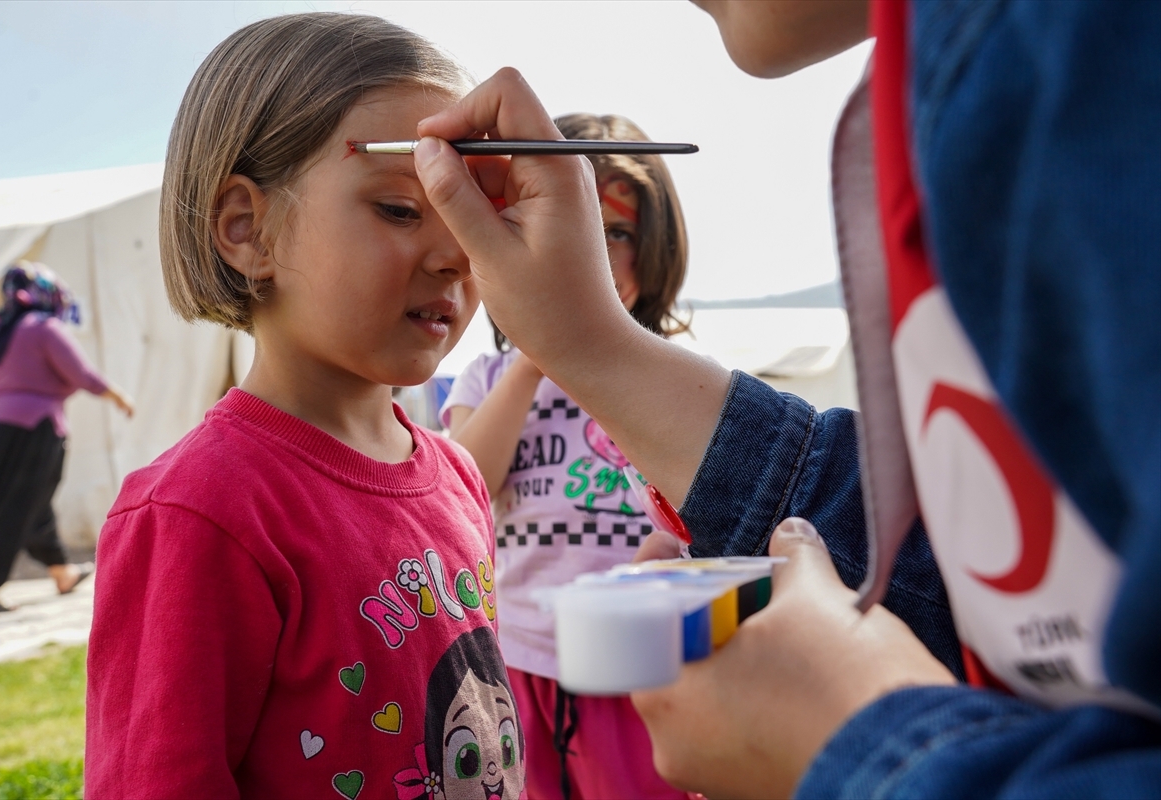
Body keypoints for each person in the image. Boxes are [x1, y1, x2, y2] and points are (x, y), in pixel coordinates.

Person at [403, 0, 1161, 797]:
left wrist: (850, 734)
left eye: (619, 228)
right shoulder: (1001, 59)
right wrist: (570, 346)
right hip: (539, 665)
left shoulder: (1047, 40)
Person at [84, 14, 526, 798]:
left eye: (469, 213)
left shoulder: (455, 472)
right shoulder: (199, 511)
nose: (457, 251)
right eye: (399, 209)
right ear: (246, 229)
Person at [443, 112, 696, 799]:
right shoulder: (489, 380)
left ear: (656, 248)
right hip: (518, 662)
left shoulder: (677, 377)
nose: (595, 256)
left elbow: (697, 505)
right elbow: (462, 490)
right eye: (575, 228)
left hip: (633, 660)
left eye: (616, 232)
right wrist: (537, 355)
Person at [0, 262, 134, 615]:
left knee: (28, 500)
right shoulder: (42, 328)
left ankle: (62, 571)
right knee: (9, 508)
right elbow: (80, 372)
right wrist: (118, 396)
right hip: (29, 428)